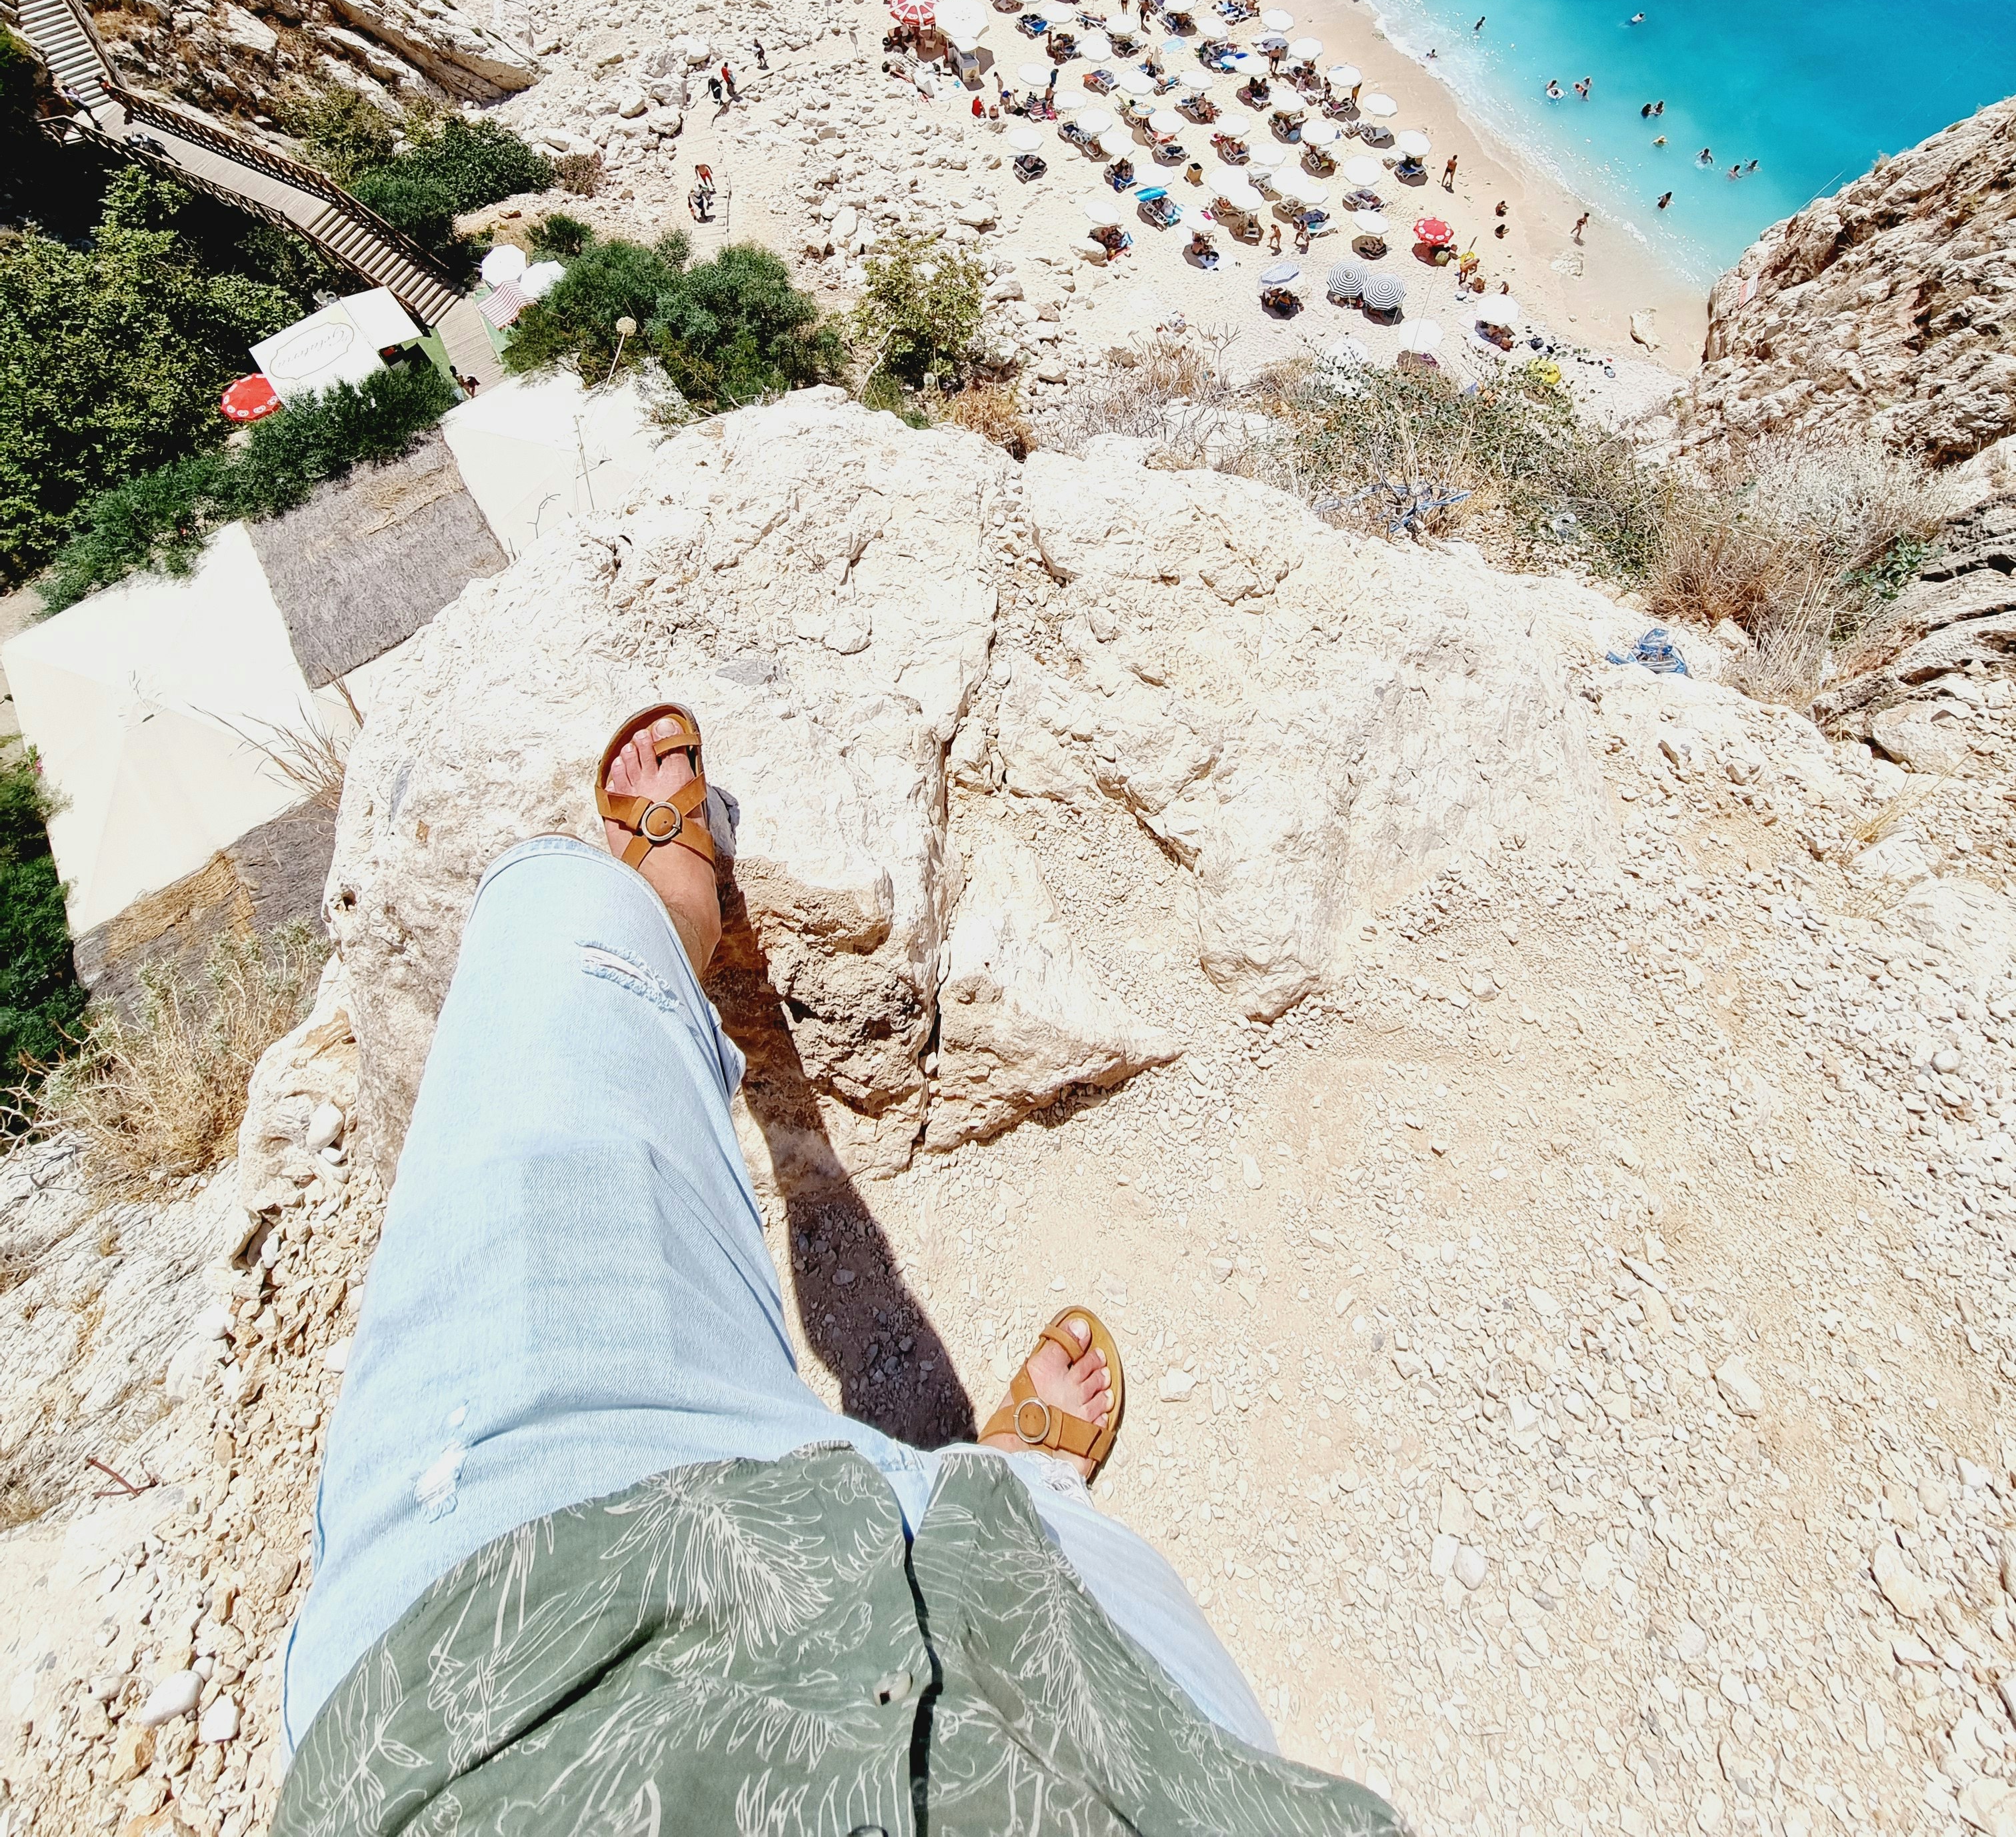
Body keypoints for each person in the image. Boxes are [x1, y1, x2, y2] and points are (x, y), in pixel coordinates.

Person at [271, 717, 1385, 1834]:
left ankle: (664, 922)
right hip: (1079, 1762)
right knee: (1086, 1583)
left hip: (489, 1659)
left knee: (548, 943)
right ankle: (1018, 1491)